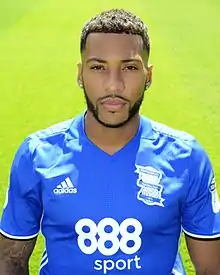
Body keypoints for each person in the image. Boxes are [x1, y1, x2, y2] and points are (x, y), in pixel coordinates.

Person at [0, 8, 220, 275]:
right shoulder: (36, 156)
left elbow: (211, 267)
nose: (113, 85)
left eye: (129, 67)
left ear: (148, 76)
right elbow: (10, 262)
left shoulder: (187, 157)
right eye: (98, 67)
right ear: (80, 75)